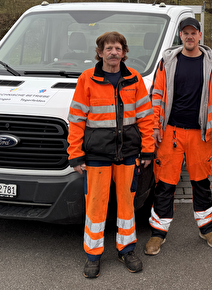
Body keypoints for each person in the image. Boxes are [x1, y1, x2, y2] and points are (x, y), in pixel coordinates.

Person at [67, 31, 155, 278]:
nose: (113, 52)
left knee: (127, 206)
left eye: (118, 48)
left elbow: (146, 118)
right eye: (108, 49)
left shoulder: (134, 79)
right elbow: (76, 121)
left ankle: (126, 250)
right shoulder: (87, 79)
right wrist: (75, 154)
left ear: (124, 52)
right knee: (95, 208)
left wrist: (148, 149)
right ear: (100, 53)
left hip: (128, 153)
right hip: (97, 155)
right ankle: (93, 256)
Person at [145, 17, 212, 255]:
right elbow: (157, 95)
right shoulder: (168, 61)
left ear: (200, 35)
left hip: (201, 134)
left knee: (201, 184)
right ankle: (158, 233)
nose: (190, 37)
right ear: (180, 36)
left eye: (194, 33)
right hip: (171, 132)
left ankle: (207, 228)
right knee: (165, 184)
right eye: (185, 33)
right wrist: (155, 126)